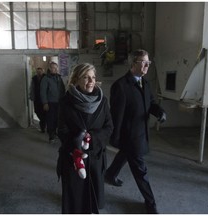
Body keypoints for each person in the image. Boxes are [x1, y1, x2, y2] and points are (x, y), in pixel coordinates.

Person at [105, 49, 166, 213]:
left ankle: (110, 175)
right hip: (131, 136)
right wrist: (114, 137)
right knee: (141, 171)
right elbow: (116, 115)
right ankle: (151, 203)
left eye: (148, 62)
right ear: (133, 64)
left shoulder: (145, 83)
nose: (147, 65)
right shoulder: (121, 86)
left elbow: (151, 103)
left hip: (141, 132)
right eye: (143, 62)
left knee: (125, 154)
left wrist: (159, 112)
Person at [57, 63, 113, 213]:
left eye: (93, 77)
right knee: (75, 204)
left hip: (95, 159)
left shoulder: (102, 101)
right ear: (76, 79)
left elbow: (109, 128)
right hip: (73, 161)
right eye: (86, 77)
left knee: (93, 203)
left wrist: (92, 138)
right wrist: (78, 140)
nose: (91, 81)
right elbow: (61, 130)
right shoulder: (65, 101)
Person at [40, 61, 65, 143]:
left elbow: (62, 90)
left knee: (58, 119)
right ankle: (51, 136)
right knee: (51, 120)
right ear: (49, 68)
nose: (54, 69)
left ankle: (56, 133)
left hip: (59, 103)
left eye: (56, 68)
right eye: (53, 68)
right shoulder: (46, 78)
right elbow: (43, 91)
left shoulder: (59, 78)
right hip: (50, 103)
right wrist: (45, 103)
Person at [29, 67, 46, 132]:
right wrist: (32, 96)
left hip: (44, 98)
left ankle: (43, 127)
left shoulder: (45, 77)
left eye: (40, 71)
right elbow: (32, 88)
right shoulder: (34, 78)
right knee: (37, 111)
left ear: (43, 71)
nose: (39, 73)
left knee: (44, 113)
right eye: (38, 71)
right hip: (37, 98)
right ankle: (43, 122)